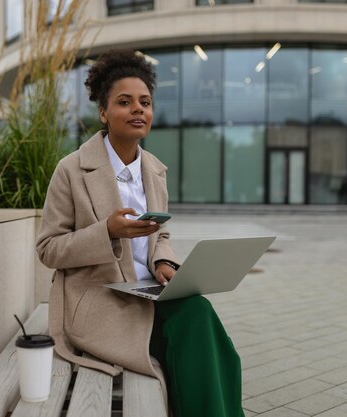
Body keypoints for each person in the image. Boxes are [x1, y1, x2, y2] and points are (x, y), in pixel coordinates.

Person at [36, 49, 245, 417]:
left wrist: (164, 262)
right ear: (103, 112)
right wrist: (107, 232)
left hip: (148, 290)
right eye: (125, 102)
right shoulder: (71, 170)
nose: (138, 110)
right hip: (101, 300)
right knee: (191, 338)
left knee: (201, 317)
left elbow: (159, 235)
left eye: (145, 102)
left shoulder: (154, 170)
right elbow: (49, 249)